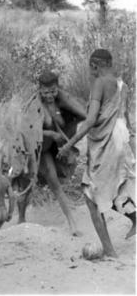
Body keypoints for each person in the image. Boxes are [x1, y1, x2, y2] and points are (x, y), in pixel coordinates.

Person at [58, 49, 136, 257]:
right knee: (115, 189)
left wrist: (69, 144)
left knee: (91, 198)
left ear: (94, 65)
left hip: (107, 144)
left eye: (90, 68)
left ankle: (110, 251)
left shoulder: (99, 84)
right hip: (122, 141)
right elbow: (127, 120)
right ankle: (135, 218)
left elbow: (91, 120)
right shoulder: (123, 86)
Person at [9, 71, 86, 236]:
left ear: (57, 88)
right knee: (26, 186)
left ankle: (72, 223)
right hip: (34, 151)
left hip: (49, 151)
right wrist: (51, 134)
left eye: (53, 91)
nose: (50, 95)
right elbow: (27, 133)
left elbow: (83, 114)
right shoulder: (34, 107)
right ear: (39, 89)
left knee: (55, 185)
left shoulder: (62, 100)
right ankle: (21, 219)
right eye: (45, 92)